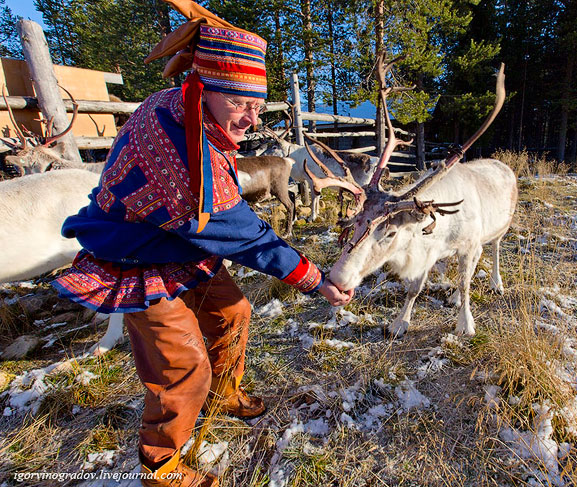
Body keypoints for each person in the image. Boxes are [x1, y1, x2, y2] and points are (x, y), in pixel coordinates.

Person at [52, 1, 352, 485]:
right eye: (240, 103)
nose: (251, 119)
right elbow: (240, 233)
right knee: (182, 364)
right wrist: (314, 278)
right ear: (203, 88)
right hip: (135, 257)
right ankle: (161, 465)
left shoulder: (183, 110)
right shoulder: (183, 152)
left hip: (179, 249)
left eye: (256, 107)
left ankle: (224, 393)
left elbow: (228, 222)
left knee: (233, 313)